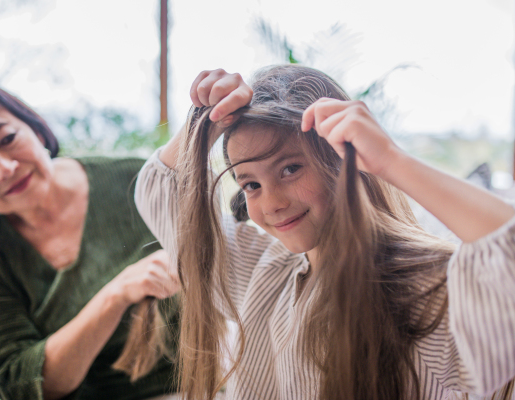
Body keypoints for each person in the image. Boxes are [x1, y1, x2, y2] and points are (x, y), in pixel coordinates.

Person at [134, 66, 515, 400]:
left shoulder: (418, 288)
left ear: (340, 159)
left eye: (289, 169)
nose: (271, 204)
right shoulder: (265, 271)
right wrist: (206, 119)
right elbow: (159, 193)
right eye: (250, 184)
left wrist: (391, 161)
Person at [0, 79, 182, 400]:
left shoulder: (138, 182)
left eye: (8, 139)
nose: (5, 167)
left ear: (36, 129)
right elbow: (17, 384)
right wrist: (116, 294)